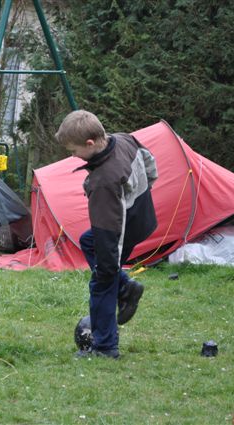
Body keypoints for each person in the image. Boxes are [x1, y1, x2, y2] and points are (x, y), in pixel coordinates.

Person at [55, 110, 158, 359]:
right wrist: (144, 189)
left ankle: (104, 347)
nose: (73, 157)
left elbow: (108, 231)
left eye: (73, 151)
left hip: (123, 228)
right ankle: (127, 287)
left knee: (102, 282)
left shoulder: (104, 181)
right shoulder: (123, 139)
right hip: (142, 216)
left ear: (90, 143)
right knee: (86, 241)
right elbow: (149, 162)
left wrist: (108, 266)